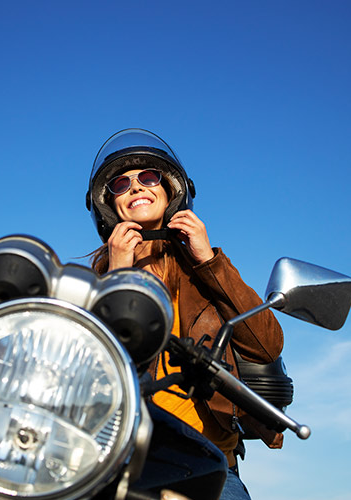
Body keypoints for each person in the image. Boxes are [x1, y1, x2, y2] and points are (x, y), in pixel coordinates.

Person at [85, 129, 284, 500]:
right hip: (117, 459)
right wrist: (116, 278)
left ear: (172, 190)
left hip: (208, 462)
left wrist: (209, 261)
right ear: (106, 204)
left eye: (149, 177)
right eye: (120, 183)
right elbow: (85, 367)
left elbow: (266, 344)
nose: (135, 187)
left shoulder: (204, 272)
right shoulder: (93, 282)